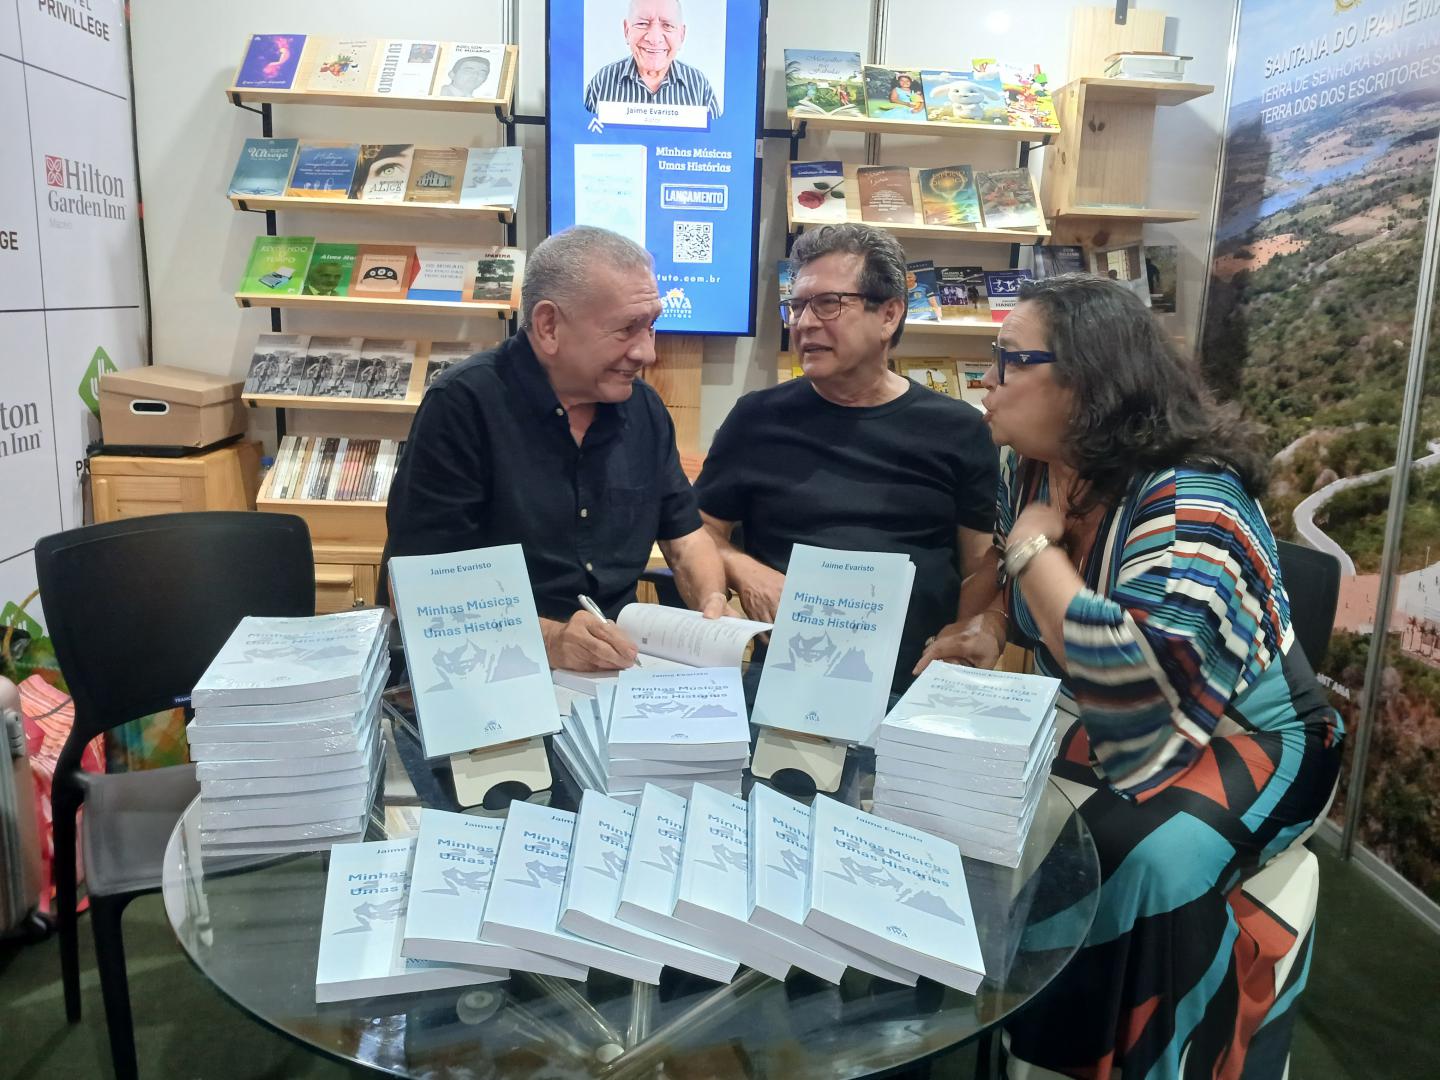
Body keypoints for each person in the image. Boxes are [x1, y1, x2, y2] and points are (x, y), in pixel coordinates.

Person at [925, 273, 1342, 1079]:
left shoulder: (1193, 499)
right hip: (1116, 719)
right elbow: (1020, 586)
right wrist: (990, 627)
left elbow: (1132, 685)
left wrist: (1035, 550)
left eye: (1009, 360)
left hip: (1252, 734)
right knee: (979, 803)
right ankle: (1023, 1045)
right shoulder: (1033, 468)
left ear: (1086, 382)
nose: (986, 382)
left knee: (1139, 862)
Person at [387, 226, 728, 673]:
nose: (647, 353)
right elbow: (418, 587)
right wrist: (552, 641)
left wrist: (712, 602)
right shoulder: (464, 406)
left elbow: (687, 539)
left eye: (651, 326)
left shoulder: (645, 410)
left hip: (618, 672)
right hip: (492, 669)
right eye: (627, 329)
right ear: (549, 326)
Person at [695, 223, 999, 700]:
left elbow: (980, 564)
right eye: (796, 306)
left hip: (913, 683)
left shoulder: (959, 428)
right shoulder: (757, 419)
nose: (804, 323)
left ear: (889, 314)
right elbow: (699, 529)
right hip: (785, 676)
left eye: (827, 304)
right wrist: (745, 570)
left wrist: (964, 640)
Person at [583, 0, 721, 119]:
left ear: (681, 35)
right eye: (642, 23)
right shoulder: (603, 81)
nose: (654, 39)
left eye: (667, 25)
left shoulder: (699, 86)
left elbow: (717, 138)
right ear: (626, 30)